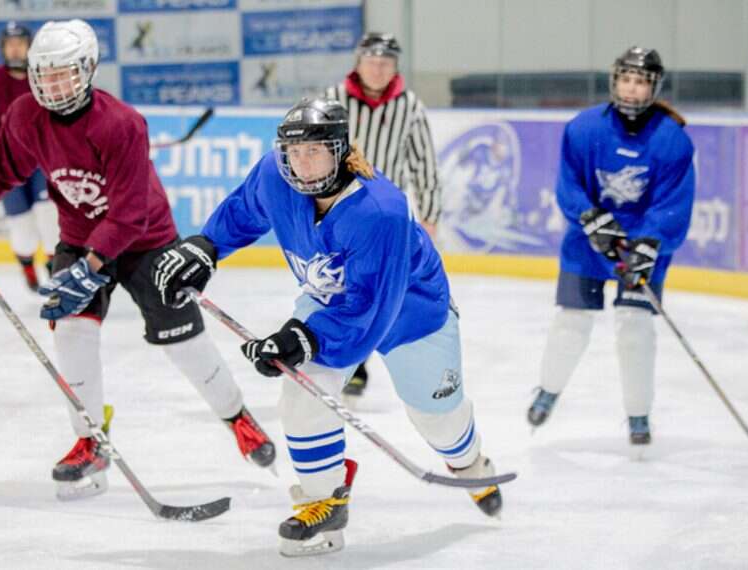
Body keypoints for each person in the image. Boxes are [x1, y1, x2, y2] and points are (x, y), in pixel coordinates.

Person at [0, 19, 275, 501]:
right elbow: (4, 169)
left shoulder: (120, 123)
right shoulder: (23, 115)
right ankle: (90, 438)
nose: (52, 85)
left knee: (184, 343)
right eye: (44, 74)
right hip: (78, 237)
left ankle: (238, 417)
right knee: (72, 330)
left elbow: (131, 215)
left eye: (64, 74)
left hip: (147, 241)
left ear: (89, 70)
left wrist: (91, 269)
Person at [151, 98, 502, 557]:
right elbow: (245, 209)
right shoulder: (278, 176)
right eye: (294, 152)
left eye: (315, 151)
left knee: (438, 421)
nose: (303, 163)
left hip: (409, 312)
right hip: (330, 301)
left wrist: (305, 338)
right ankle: (324, 503)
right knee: (301, 393)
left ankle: (472, 466)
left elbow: (371, 307)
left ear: (341, 151)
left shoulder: (380, 211)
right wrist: (206, 247)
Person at [525, 46, 695, 446]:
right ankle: (548, 389)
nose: (632, 89)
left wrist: (650, 244)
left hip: (641, 244)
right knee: (572, 322)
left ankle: (639, 415)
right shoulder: (584, 129)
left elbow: (674, 204)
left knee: (635, 328)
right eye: (626, 79)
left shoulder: (672, 140)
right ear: (614, 81)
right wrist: (589, 217)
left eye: (640, 81)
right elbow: (568, 185)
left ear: (653, 86)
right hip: (587, 243)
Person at [322, 31, 442, 402]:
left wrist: (430, 215)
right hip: (336, 208)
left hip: (385, 215)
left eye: (386, 62)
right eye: (373, 60)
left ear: (395, 67)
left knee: (377, 284)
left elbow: (424, 164)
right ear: (359, 61)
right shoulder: (332, 100)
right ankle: (350, 360)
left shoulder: (409, 106)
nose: (378, 68)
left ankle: (376, 353)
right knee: (335, 283)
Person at [0, 21, 58, 291]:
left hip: (42, 160)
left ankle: (54, 267)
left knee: (50, 217)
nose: (15, 49)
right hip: (6, 163)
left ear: (29, 46)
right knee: (22, 226)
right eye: (10, 44)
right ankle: (27, 264)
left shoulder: (42, 77)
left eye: (20, 44)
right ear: (3, 48)